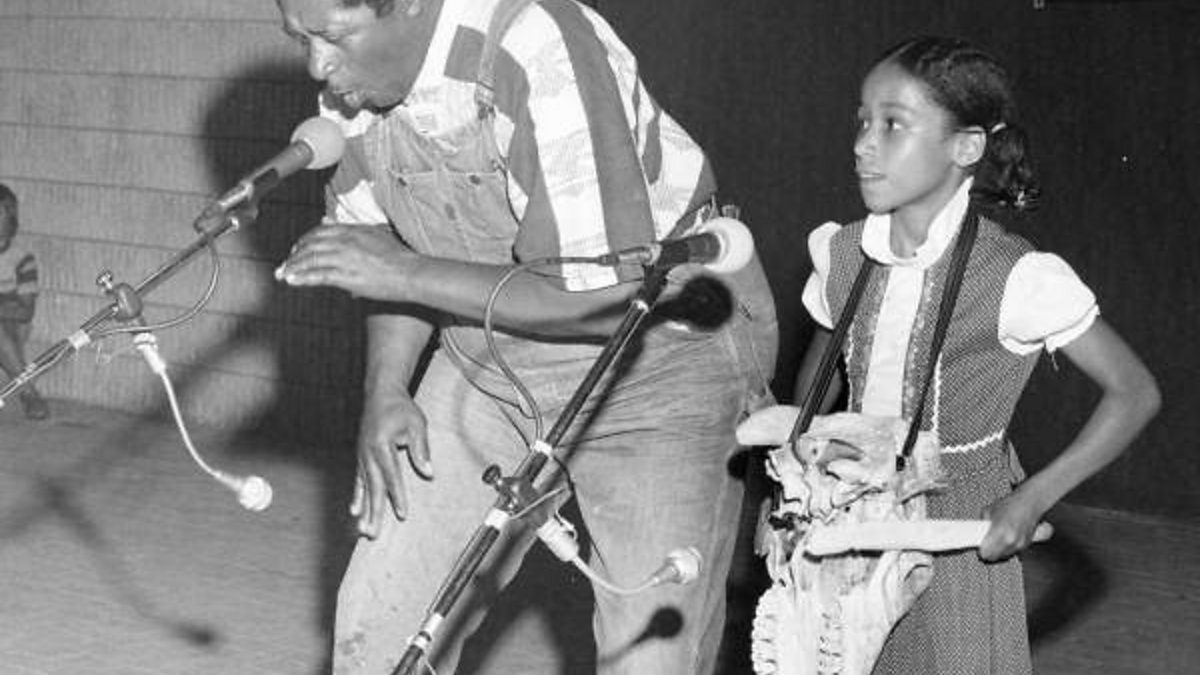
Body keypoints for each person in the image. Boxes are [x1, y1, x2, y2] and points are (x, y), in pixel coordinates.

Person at [270, 0, 778, 673]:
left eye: (332, 35)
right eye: (300, 38)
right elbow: (380, 251)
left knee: (649, 655)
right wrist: (386, 388)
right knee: (380, 623)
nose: (317, 65)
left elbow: (601, 295)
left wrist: (401, 271)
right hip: (491, 360)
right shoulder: (352, 94)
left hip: (659, 363)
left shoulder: (538, 45)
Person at [787, 36, 1161, 673]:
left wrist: (1032, 498)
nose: (863, 144)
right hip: (849, 516)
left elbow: (1135, 393)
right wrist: (804, 470)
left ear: (966, 148)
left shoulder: (1016, 275)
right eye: (862, 121)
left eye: (893, 125)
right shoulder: (840, 252)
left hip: (957, 527)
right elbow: (817, 381)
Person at [0, 184, 49, 421]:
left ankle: (29, 394)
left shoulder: (22, 259)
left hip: (12, 327)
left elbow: (25, 312)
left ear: (10, 217)